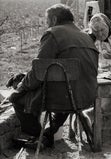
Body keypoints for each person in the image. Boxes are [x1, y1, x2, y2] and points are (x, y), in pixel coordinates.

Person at [9, 4, 99, 148]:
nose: (46, 24)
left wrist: (22, 86)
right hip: (86, 96)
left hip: (64, 97)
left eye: (47, 20)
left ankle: (36, 136)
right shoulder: (86, 36)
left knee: (16, 97)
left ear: (54, 19)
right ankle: (47, 134)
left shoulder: (52, 33)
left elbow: (38, 71)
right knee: (64, 93)